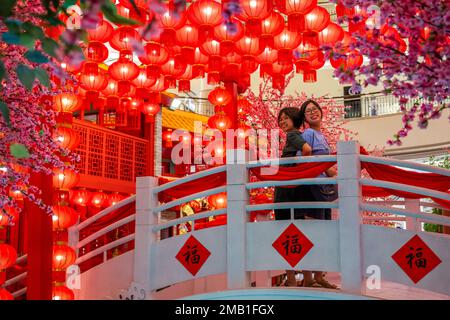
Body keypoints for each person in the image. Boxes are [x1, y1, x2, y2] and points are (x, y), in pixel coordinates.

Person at [297, 99, 339, 289]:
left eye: (315, 109)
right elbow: (303, 158)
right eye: (308, 111)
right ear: (304, 118)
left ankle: (319, 275)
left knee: (323, 232)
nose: (313, 112)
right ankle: (308, 278)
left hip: (323, 188)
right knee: (312, 232)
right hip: (312, 187)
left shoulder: (321, 135)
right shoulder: (308, 133)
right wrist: (328, 170)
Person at [274, 107, 312, 287]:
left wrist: (297, 169)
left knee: (284, 233)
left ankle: (290, 279)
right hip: (296, 189)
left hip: (287, 191)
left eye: (285, 118)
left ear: (295, 119)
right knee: (300, 233)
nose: (282, 121)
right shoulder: (300, 134)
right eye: (280, 119)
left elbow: (307, 149)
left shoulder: (292, 136)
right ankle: (307, 277)